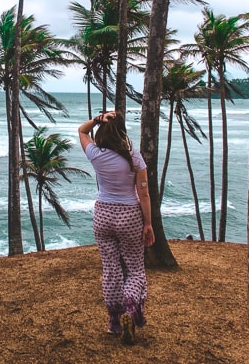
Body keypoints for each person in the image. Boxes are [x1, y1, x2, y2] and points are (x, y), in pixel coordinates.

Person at [78, 110, 155, 345]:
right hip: (129, 215)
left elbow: (82, 130)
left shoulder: (95, 153)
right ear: (122, 130)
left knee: (111, 269)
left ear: (102, 129)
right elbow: (143, 192)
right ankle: (131, 305)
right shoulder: (133, 157)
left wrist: (98, 119)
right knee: (134, 268)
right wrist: (148, 224)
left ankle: (114, 321)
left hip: (103, 214)